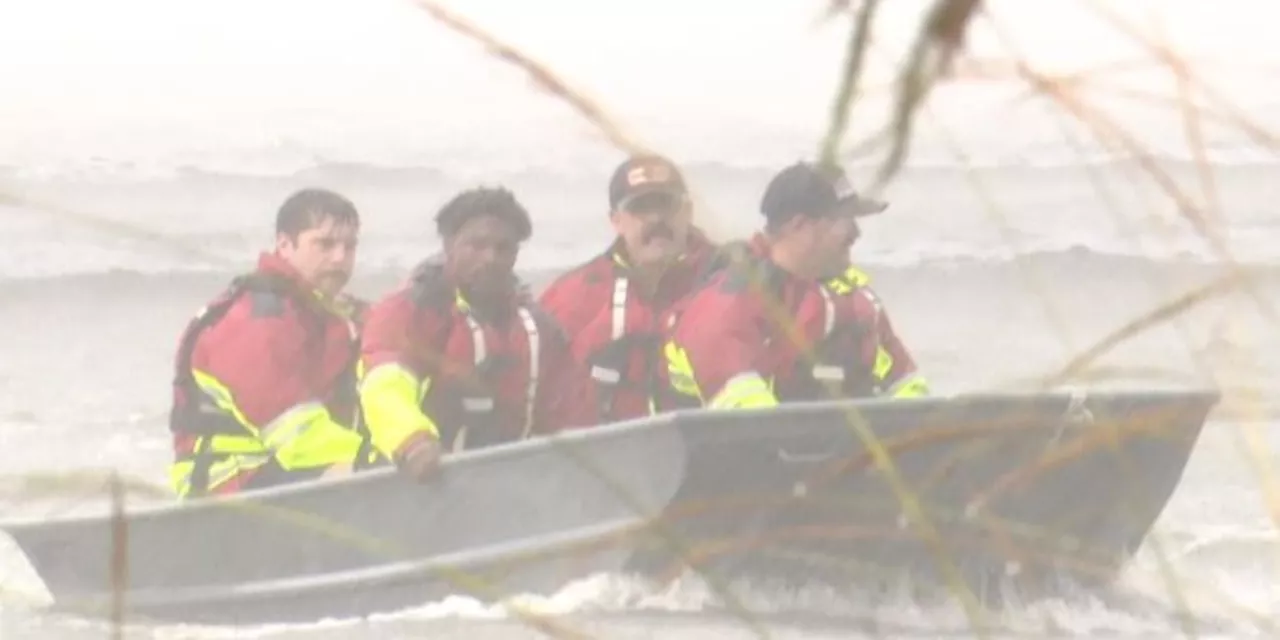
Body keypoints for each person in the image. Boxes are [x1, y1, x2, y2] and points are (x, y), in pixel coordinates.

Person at [358, 186, 590, 477]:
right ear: (449, 244)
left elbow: (571, 409)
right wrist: (414, 442)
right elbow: (385, 387)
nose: (490, 257)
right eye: (477, 245)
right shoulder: (409, 312)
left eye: (503, 248)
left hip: (510, 479)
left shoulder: (540, 328)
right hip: (421, 477)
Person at [662, 161, 928, 411]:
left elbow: (907, 390)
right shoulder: (727, 303)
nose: (856, 234)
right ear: (800, 226)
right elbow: (747, 421)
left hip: (838, 453)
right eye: (845, 221)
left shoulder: (857, 301)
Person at [167, 188, 379, 499]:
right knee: (370, 477)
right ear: (284, 244)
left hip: (280, 468)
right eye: (325, 244)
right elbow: (296, 434)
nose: (340, 258)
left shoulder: (328, 312)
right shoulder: (255, 323)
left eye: (350, 247)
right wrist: (377, 458)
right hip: (227, 481)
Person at [539, 154, 717, 423]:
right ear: (616, 220)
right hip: (608, 456)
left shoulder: (731, 284)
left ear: (688, 211)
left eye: (666, 204)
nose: (656, 218)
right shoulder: (572, 298)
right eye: (640, 208)